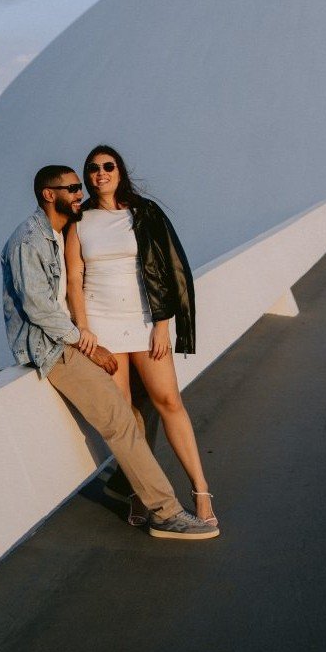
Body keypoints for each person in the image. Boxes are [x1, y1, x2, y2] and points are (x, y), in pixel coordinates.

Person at [2, 164, 219, 540]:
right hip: (52, 347)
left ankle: (131, 488)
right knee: (119, 417)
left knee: (137, 409)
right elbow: (38, 307)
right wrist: (87, 342)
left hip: (73, 339)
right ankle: (165, 513)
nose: (79, 194)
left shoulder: (57, 233)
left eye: (79, 187)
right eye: (72, 188)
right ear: (49, 195)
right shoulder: (29, 239)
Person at [65, 145, 218, 529]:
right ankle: (138, 492)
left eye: (108, 166)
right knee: (126, 413)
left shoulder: (144, 213)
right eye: (93, 168)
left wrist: (163, 325)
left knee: (168, 401)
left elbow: (166, 267)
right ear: (88, 176)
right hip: (103, 325)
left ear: (120, 171)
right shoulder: (79, 221)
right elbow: (74, 277)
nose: (101, 173)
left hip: (145, 322)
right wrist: (83, 327)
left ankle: (200, 490)